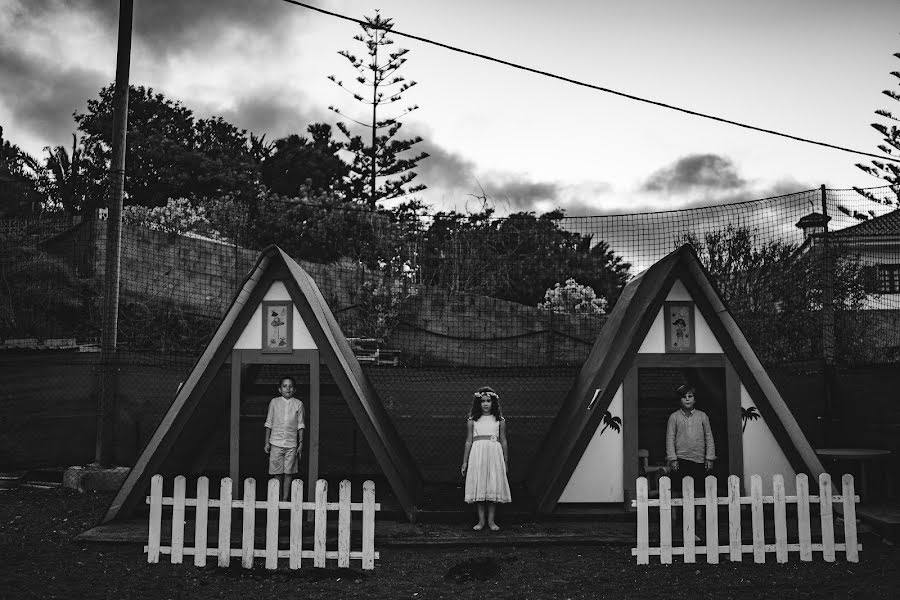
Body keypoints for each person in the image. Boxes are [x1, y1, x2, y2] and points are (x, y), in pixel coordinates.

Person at [665, 384, 715, 535]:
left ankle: (698, 517)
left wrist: (709, 457)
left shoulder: (702, 416)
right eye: (684, 397)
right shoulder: (674, 417)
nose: (687, 399)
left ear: (695, 399)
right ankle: (674, 517)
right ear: (679, 400)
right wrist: (672, 458)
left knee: (699, 489)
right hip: (680, 458)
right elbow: (670, 437)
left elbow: (709, 437)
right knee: (676, 489)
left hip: (699, 459)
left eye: (690, 396)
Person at [461, 386, 511, 531]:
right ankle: (481, 521)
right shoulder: (472, 420)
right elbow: (468, 441)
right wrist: (465, 461)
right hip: (478, 456)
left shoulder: (499, 420)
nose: (486, 404)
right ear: (478, 402)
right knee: (480, 486)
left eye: (488, 400)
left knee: (491, 486)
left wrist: (505, 460)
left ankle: (491, 521)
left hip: (494, 455)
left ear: (493, 402)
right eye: (482, 401)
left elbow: (504, 441)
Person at [264, 376, 305, 501]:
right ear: (279, 389)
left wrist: (301, 443)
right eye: (285, 386)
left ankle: (285, 499)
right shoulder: (274, 402)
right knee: (277, 473)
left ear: (294, 389)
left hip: (291, 444)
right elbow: (269, 422)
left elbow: (301, 424)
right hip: (275, 442)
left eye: (290, 386)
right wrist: (266, 442)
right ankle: (277, 498)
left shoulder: (298, 404)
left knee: (289, 473)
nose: (288, 388)